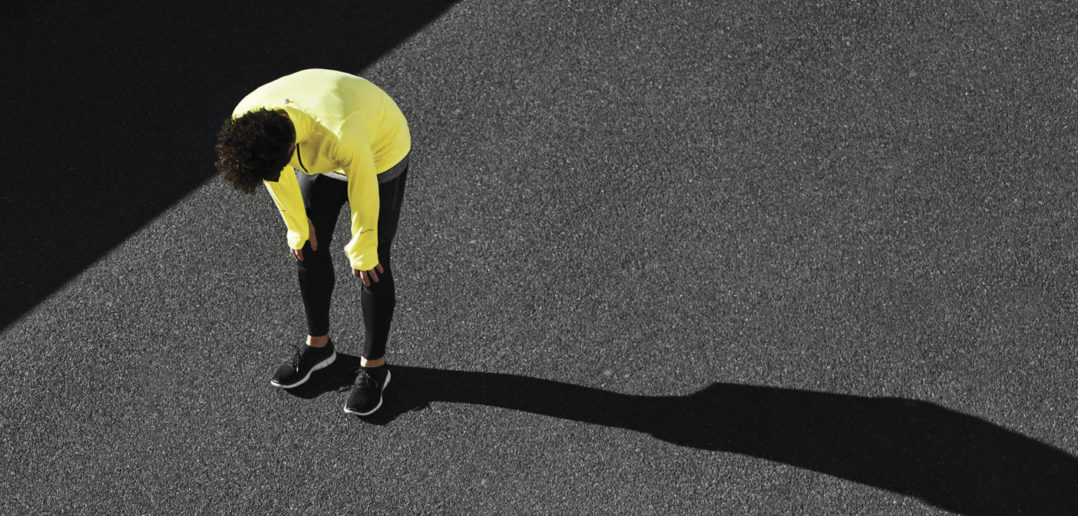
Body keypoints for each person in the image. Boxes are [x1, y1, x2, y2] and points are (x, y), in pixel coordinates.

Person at [215, 69, 410, 417]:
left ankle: (375, 368)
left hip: (378, 148)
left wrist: (363, 246)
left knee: (374, 263)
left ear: (290, 147)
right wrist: (297, 227)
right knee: (306, 245)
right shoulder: (249, 121)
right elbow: (276, 175)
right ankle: (320, 347)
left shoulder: (341, 130)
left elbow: (363, 184)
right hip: (321, 153)